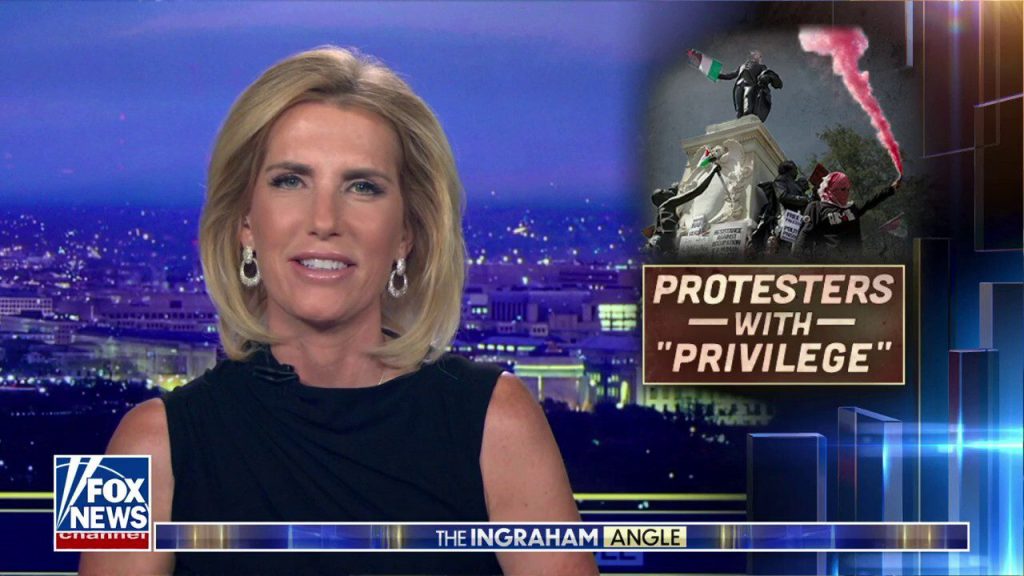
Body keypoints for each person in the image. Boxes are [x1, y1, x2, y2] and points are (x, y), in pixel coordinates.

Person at [80, 46, 597, 576]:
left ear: (406, 233)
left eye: (362, 187)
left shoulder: (500, 420)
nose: (325, 220)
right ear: (245, 222)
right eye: (290, 181)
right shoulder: (137, 450)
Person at [793, 171, 902, 257]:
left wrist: (892, 188)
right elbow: (804, 235)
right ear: (830, 188)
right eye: (842, 189)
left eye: (847, 189)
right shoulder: (816, 208)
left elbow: (871, 200)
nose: (846, 192)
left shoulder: (852, 208)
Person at [749, 160, 812, 254]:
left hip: (798, 219)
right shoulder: (781, 180)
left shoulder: (794, 184)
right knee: (785, 248)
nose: (797, 172)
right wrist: (802, 199)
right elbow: (782, 196)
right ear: (789, 169)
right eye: (796, 169)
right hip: (786, 219)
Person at [717, 50, 782, 122]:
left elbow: (766, 74)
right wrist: (719, 75)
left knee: (748, 102)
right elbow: (731, 75)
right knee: (739, 106)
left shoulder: (761, 66)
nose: (759, 57)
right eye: (757, 55)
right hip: (739, 85)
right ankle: (739, 120)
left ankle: (748, 119)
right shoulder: (742, 66)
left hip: (750, 85)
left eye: (759, 56)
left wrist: (765, 78)